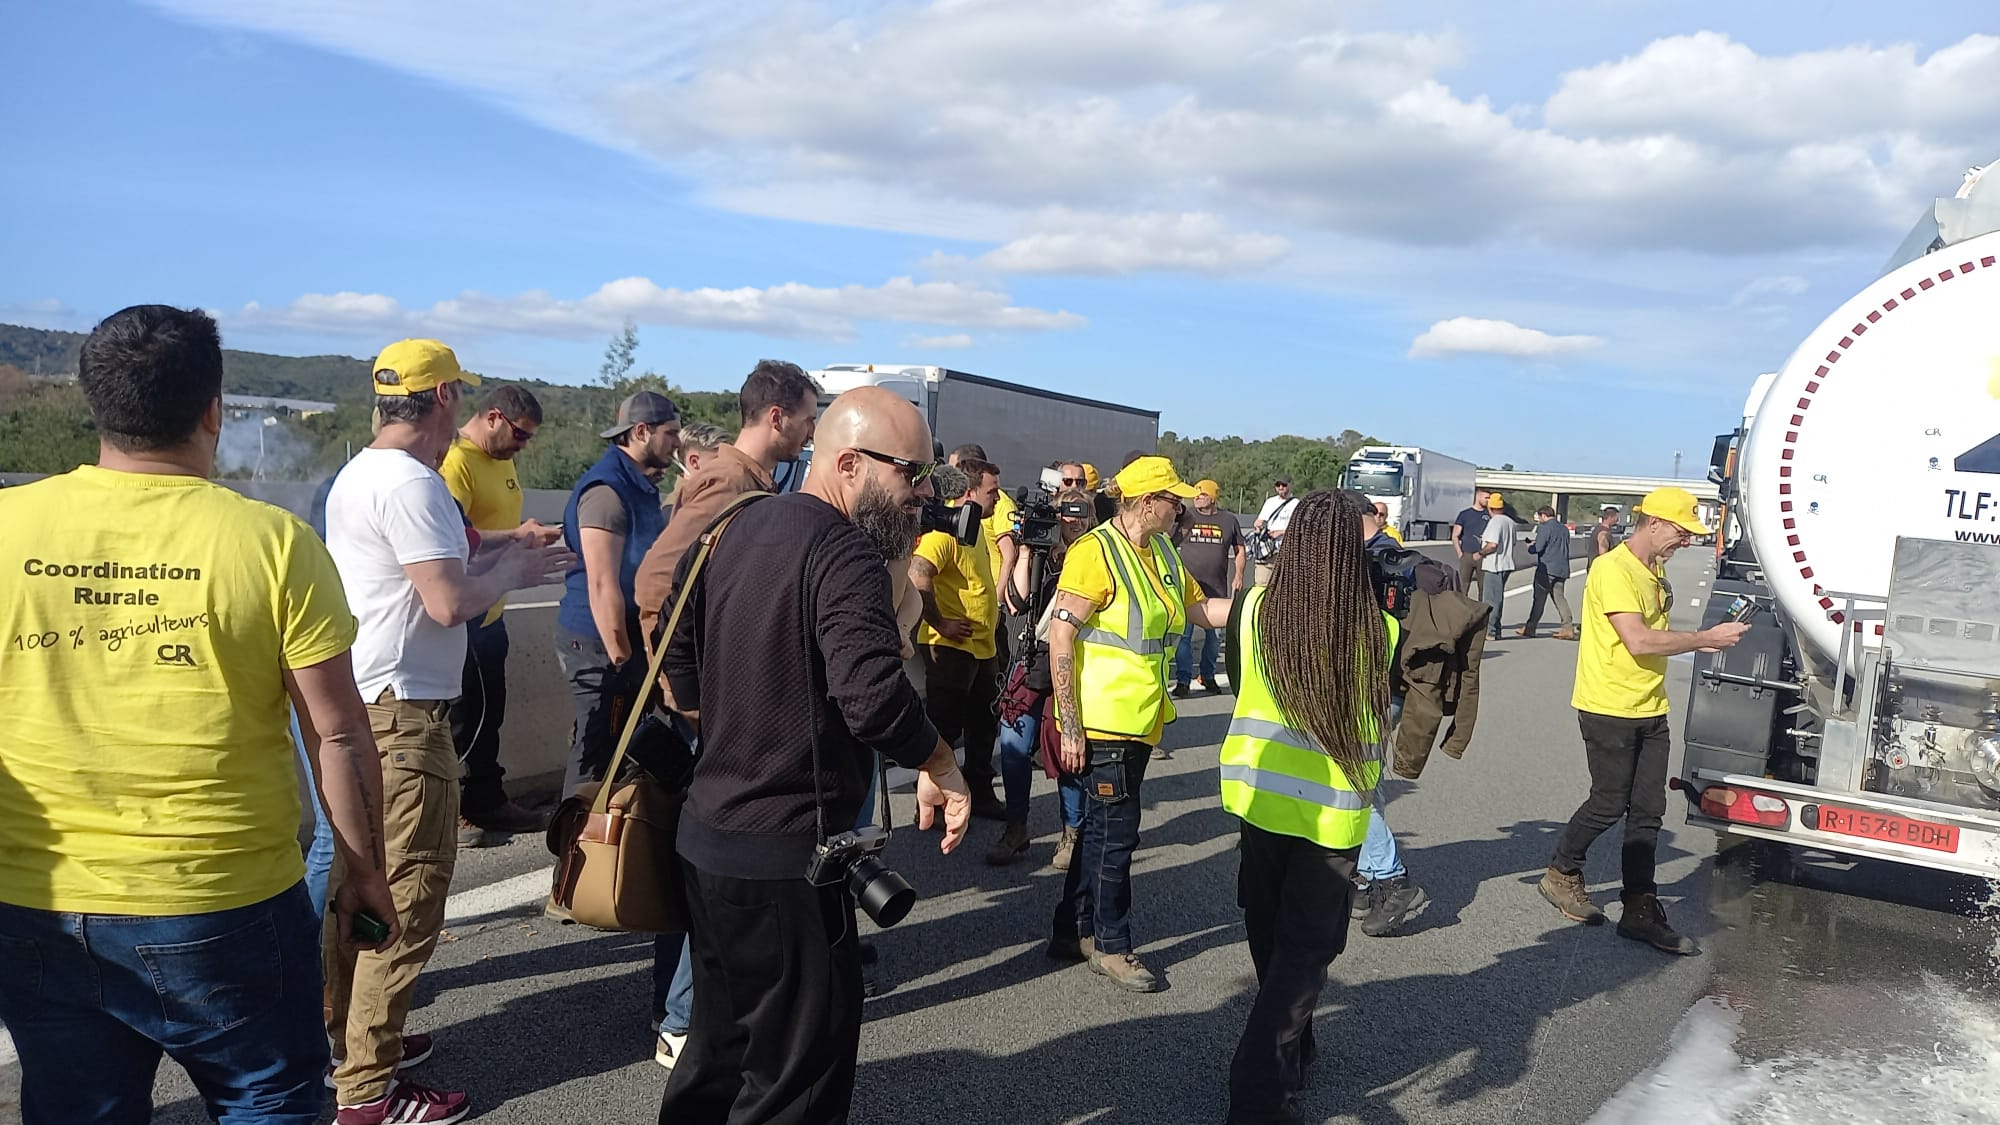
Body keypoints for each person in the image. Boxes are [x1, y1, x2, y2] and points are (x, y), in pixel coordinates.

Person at [0, 305, 399, 1125]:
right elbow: (338, 730)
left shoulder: (9, 529)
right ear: (214, 409)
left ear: (94, 403)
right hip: (223, 896)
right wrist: (364, 871)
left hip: (34, 894)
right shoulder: (272, 543)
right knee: (269, 1103)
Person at [656, 386, 971, 1125]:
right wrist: (940, 760)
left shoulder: (732, 523)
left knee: (718, 1051)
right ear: (850, 462)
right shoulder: (843, 550)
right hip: (788, 856)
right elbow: (872, 696)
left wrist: (735, 723)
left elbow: (675, 651)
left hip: (707, 840)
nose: (922, 496)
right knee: (795, 1077)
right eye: (911, 474)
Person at [323, 338, 573, 1125]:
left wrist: (507, 543)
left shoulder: (364, 473)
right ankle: (369, 1087)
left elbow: (450, 549)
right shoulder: (414, 482)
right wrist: (517, 573)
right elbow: (447, 598)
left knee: (354, 888)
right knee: (410, 895)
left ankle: (346, 1039)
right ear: (444, 400)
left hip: (366, 704)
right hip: (405, 715)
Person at [1218, 489, 1392, 1125]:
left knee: (1269, 935)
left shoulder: (1254, 608)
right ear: (1355, 550)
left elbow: (1241, 685)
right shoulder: (1381, 628)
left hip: (1260, 801)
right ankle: (1258, 1086)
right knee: (1307, 951)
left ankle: (1296, 1047)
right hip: (1331, 816)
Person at [1046, 456, 1232, 993]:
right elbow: (1061, 638)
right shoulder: (1094, 553)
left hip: (1141, 718)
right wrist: (1072, 727)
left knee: (1100, 832)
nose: (1182, 510)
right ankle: (1111, 945)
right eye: (1173, 501)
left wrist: (1261, 607)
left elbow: (1199, 611)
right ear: (1146, 503)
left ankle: (1070, 930)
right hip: (1102, 721)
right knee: (1117, 837)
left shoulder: (1164, 552)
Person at [1538, 487, 1748, 956]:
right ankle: (1561, 872)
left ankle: (1639, 908)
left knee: (1649, 811)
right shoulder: (1614, 570)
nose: (1686, 540)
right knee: (1610, 801)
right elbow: (1636, 640)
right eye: (1680, 531)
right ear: (1652, 523)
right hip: (1608, 704)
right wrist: (1703, 639)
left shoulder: (1655, 568)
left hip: (1650, 705)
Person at [549, 389, 690, 1062]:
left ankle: (601, 870)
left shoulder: (637, 481)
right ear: (641, 431)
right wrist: (628, 664)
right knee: (594, 767)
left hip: (623, 648)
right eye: (669, 434)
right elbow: (606, 585)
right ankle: (578, 881)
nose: (676, 443)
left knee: (621, 766)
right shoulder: (606, 490)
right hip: (601, 648)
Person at [634, 360, 820, 646]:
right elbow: (657, 579)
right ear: (777, 419)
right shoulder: (729, 483)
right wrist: (678, 680)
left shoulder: (749, 481)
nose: (812, 433)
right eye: (808, 420)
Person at [438, 384, 549, 847]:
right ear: (494, 418)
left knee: (490, 711)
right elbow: (455, 534)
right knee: (464, 717)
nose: (524, 445)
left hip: (493, 610)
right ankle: (460, 809)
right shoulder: (458, 462)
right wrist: (514, 536)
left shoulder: (502, 461)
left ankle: (488, 797)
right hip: (467, 608)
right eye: (521, 435)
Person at [989, 485, 1098, 866]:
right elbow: (1016, 602)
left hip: (1077, 660)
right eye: (1065, 511)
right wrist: (1026, 549)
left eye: (1081, 510)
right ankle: (1017, 827)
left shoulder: (1097, 554)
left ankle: (1073, 833)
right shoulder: (1041, 553)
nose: (1073, 519)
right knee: (1014, 745)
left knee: (1066, 750)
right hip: (1034, 656)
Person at [1348, 498, 1430, 939]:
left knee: (1350, 785)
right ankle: (1365, 874)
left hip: (1367, 690)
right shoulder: (1400, 560)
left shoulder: (1364, 561)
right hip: (1389, 687)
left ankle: (1390, 876)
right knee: (1365, 781)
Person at [911, 456, 1008, 819]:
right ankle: (934, 806)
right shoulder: (943, 534)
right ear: (969, 492)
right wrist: (940, 624)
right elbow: (919, 577)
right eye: (992, 491)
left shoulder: (977, 529)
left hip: (981, 648)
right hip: (951, 649)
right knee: (944, 730)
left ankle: (979, 793)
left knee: (984, 727)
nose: (998, 498)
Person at [1171, 477, 1245, 702]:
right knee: (1184, 636)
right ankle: (1183, 680)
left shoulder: (1228, 520)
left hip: (1216, 588)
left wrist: (1239, 575)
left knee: (1213, 638)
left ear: (1213, 496)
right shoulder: (1186, 519)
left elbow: (1240, 549)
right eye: (1196, 494)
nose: (1198, 497)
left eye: (1202, 494)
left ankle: (1208, 675)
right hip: (1187, 589)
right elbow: (1168, 544)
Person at [1519, 506, 1577, 640]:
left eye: (1539, 517)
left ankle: (1530, 628)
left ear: (1543, 516)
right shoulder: (1563, 528)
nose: (1539, 520)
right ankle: (1568, 627)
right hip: (1562, 569)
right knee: (1559, 598)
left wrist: (1530, 547)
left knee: (1539, 599)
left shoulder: (1545, 528)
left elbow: (1538, 548)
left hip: (1547, 569)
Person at [1476, 492, 1517, 640]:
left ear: (1490, 508)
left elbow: (1493, 545)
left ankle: (1490, 630)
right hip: (1506, 563)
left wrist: (1480, 553)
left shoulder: (1495, 522)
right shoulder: (1510, 523)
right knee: (1498, 598)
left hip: (1494, 565)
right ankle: (1496, 629)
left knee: (1490, 599)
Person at [1251, 477, 1299, 585]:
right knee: (1261, 583)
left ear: (1290, 485)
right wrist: (1258, 526)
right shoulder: (1270, 502)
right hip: (1268, 550)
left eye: (1284, 485)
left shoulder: (1296, 504)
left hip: (1286, 551)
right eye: (1278, 485)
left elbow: (1299, 528)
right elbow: (1260, 520)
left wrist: (1280, 532)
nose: (1281, 487)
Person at [1451, 488, 1491, 592]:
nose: (1488, 500)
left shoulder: (1489, 515)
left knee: (1483, 588)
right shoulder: (1464, 514)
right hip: (1467, 555)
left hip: (1483, 556)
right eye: (1486, 498)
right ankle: (1461, 608)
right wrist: (1460, 554)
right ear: (1478, 497)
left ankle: (1482, 608)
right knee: (1463, 587)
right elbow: (1455, 535)